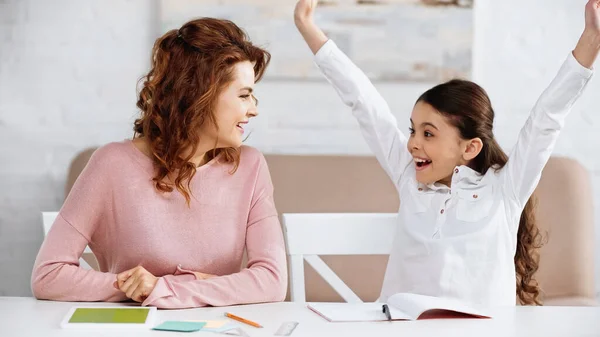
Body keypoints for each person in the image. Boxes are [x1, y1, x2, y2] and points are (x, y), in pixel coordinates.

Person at [294, 0, 599, 305]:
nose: (413, 143)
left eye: (428, 133)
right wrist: (308, 28)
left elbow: (546, 120)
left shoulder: (505, 189)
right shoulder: (409, 179)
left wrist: (590, 41)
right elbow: (364, 101)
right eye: (413, 130)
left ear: (470, 147)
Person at [31, 17, 287, 309]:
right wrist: (132, 287)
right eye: (244, 95)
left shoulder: (250, 167)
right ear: (199, 97)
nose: (254, 109)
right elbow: (48, 275)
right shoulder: (111, 164)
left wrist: (164, 288)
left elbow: (272, 280)